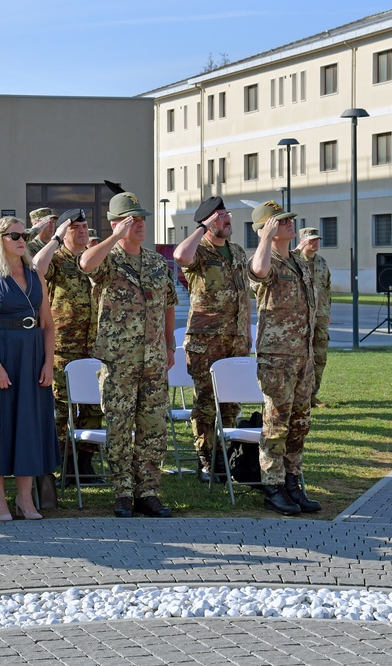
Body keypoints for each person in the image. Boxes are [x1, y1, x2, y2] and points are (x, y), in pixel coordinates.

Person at [79, 192, 177, 518]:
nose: (140, 225)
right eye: (133, 219)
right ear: (116, 223)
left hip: (153, 358)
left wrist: (169, 345)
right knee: (119, 425)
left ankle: (147, 491)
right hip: (119, 358)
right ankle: (122, 491)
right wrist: (115, 237)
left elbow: (168, 305)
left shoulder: (156, 262)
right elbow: (86, 263)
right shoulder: (108, 258)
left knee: (153, 425)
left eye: (142, 219)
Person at [0, 217, 59, 521]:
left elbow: (48, 326)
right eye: (15, 235)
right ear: (0, 239)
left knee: (28, 425)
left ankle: (25, 499)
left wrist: (48, 363)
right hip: (0, 357)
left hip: (32, 358)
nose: (22, 239)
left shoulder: (35, 276)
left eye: (25, 234)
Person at [172, 196, 251, 483]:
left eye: (226, 214)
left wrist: (248, 330)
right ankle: (206, 461)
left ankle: (224, 456)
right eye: (219, 216)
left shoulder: (239, 253)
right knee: (206, 401)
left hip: (237, 339)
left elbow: (245, 296)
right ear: (207, 222)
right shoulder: (200, 251)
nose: (226, 219)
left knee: (231, 401)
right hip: (206, 341)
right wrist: (200, 229)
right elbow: (180, 257)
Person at [249, 201, 320, 515]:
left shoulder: (298, 262)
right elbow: (258, 272)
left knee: (299, 424)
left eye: (289, 218)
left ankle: (293, 482)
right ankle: (273, 486)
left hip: (302, 356)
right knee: (276, 424)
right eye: (281, 220)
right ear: (267, 228)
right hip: (277, 357)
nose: (289, 222)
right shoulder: (268, 259)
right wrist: (264, 238)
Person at [32, 209, 103, 487]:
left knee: (94, 407)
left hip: (94, 346)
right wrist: (56, 239)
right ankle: (60, 465)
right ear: (64, 231)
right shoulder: (56, 260)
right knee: (62, 409)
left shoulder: (95, 260)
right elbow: (37, 267)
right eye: (75, 227)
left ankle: (83, 465)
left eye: (85, 225)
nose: (83, 230)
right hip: (62, 346)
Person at [293, 227, 331, 408]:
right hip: (301, 317)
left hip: (321, 316)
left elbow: (327, 288)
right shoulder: (293, 260)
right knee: (301, 356)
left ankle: (313, 394)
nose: (315, 243)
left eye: (317, 240)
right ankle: (300, 394)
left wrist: (327, 312)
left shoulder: (322, 263)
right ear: (303, 241)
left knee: (320, 356)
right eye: (311, 240)